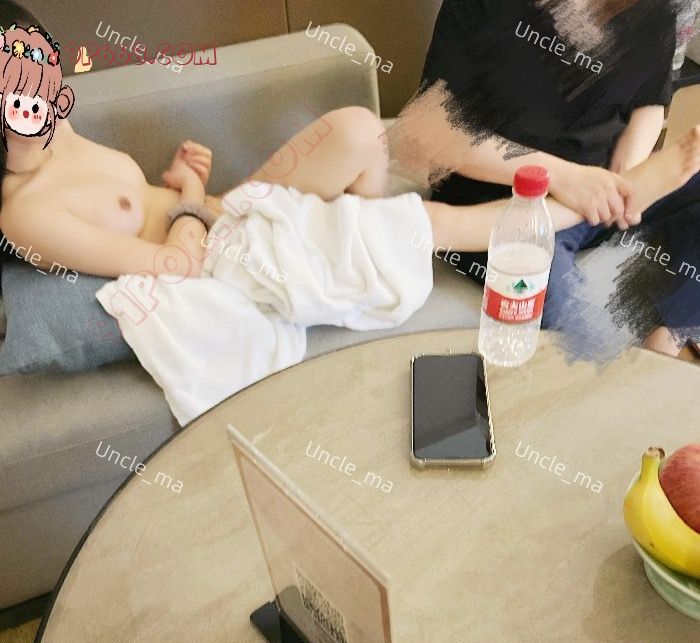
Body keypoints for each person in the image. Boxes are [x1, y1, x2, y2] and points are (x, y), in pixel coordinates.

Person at [0, 15, 699, 346]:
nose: (38, 104)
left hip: (226, 215)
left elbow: (145, 210)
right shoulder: (24, 213)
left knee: (359, 129)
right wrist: (186, 200)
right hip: (219, 258)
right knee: (439, 224)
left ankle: (360, 246)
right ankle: (618, 196)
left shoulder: (59, 134)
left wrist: (184, 184)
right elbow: (173, 266)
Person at [408, 0, 700, 358]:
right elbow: (430, 132)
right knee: (569, 326)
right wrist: (563, 178)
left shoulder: (652, 12)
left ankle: (672, 332)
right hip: (501, 204)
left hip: (602, 187)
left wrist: (626, 179)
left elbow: (649, 104)